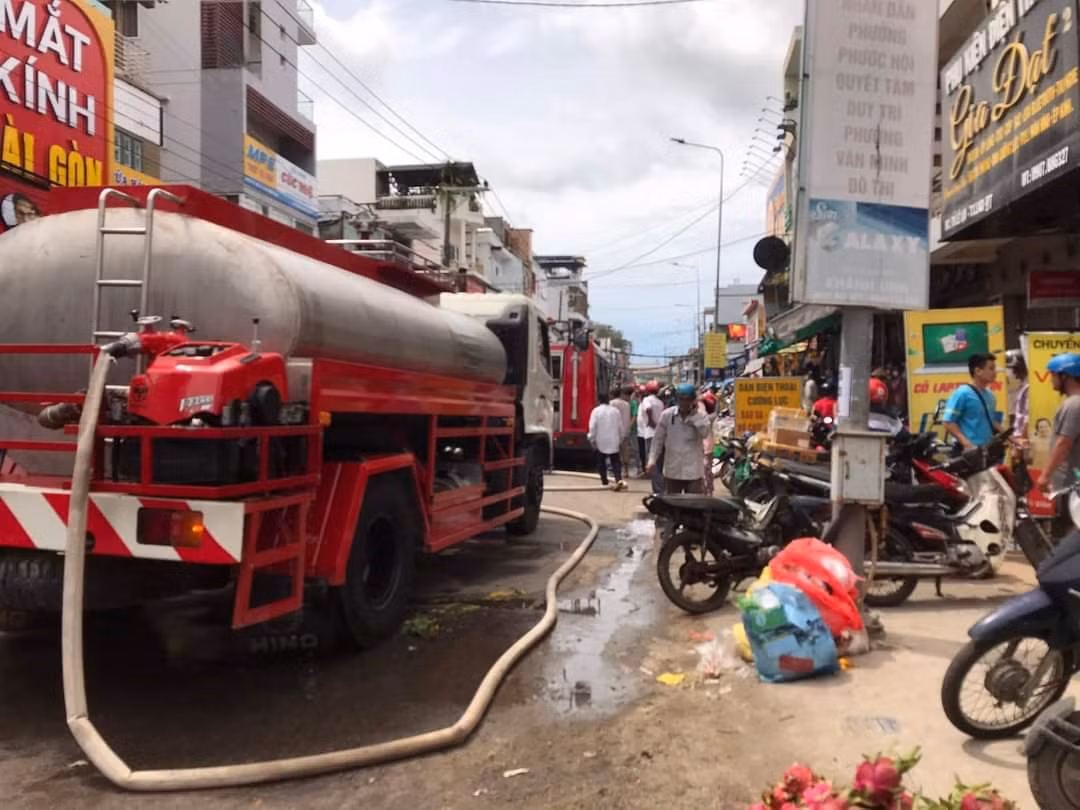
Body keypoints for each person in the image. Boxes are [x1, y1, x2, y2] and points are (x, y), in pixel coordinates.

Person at [1037, 354, 1080, 539]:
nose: (1051, 380)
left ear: (1065, 376)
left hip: (1071, 486)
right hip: (1072, 484)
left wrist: (1045, 476)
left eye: (1053, 375)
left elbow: (1064, 443)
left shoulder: (1073, 404)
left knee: (1068, 539)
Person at [647, 383, 711, 495]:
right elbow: (658, 439)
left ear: (693, 400)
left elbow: (705, 433)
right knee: (672, 505)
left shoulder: (701, 416)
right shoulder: (667, 415)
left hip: (693, 471)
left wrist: (694, 418)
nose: (684, 403)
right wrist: (652, 460)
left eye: (687, 400)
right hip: (673, 469)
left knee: (693, 506)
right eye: (681, 399)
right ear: (677, 399)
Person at [943, 353, 1001, 451]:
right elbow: (948, 423)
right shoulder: (962, 393)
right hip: (969, 452)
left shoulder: (990, 395)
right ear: (978, 371)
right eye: (991, 369)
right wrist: (967, 444)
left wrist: (1013, 440)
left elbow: (992, 421)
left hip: (987, 450)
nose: (995, 372)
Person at [587, 392, 626, 490]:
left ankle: (604, 481)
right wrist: (621, 438)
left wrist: (591, 438)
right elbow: (620, 427)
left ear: (598, 400)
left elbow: (592, 427)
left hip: (601, 440)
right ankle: (618, 479)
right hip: (614, 439)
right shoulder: (615, 411)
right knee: (615, 461)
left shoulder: (596, 411)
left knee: (601, 462)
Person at [637, 381, 665, 489]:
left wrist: (651, 421)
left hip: (650, 434)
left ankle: (657, 489)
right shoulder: (660, 402)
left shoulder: (646, 400)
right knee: (660, 462)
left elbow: (648, 408)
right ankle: (661, 487)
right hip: (660, 434)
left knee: (653, 462)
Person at [1006, 349, 1029, 442]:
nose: (1007, 373)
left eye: (1009, 369)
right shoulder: (1020, 386)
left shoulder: (1028, 387)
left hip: (1022, 439)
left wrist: (1020, 442)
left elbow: (1028, 419)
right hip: (1018, 438)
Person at [700, 391, 719, 495]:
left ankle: (706, 490)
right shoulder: (712, 416)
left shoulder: (704, 416)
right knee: (708, 470)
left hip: (704, 446)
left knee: (704, 470)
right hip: (709, 445)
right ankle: (709, 490)